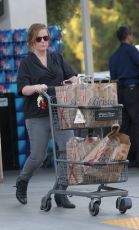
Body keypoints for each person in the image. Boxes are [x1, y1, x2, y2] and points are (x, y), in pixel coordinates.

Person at [15, 23, 77, 208]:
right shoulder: (27, 63)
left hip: (59, 110)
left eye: (46, 38)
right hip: (37, 113)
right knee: (38, 156)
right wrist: (36, 87)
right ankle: (22, 181)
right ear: (31, 42)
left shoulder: (56, 57)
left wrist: (71, 82)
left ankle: (60, 192)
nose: (43, 42)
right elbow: (23, 89)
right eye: (39, 38)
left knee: (68, 151)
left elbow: (72, 76)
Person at [109, 24, 139, 168]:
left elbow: (113, 81)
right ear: (129, 36)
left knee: (125, 126)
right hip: (133, 91)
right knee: (138, 124)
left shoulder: (113, 56)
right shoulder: (131, 50)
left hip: (120, 93)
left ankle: (125, 159)